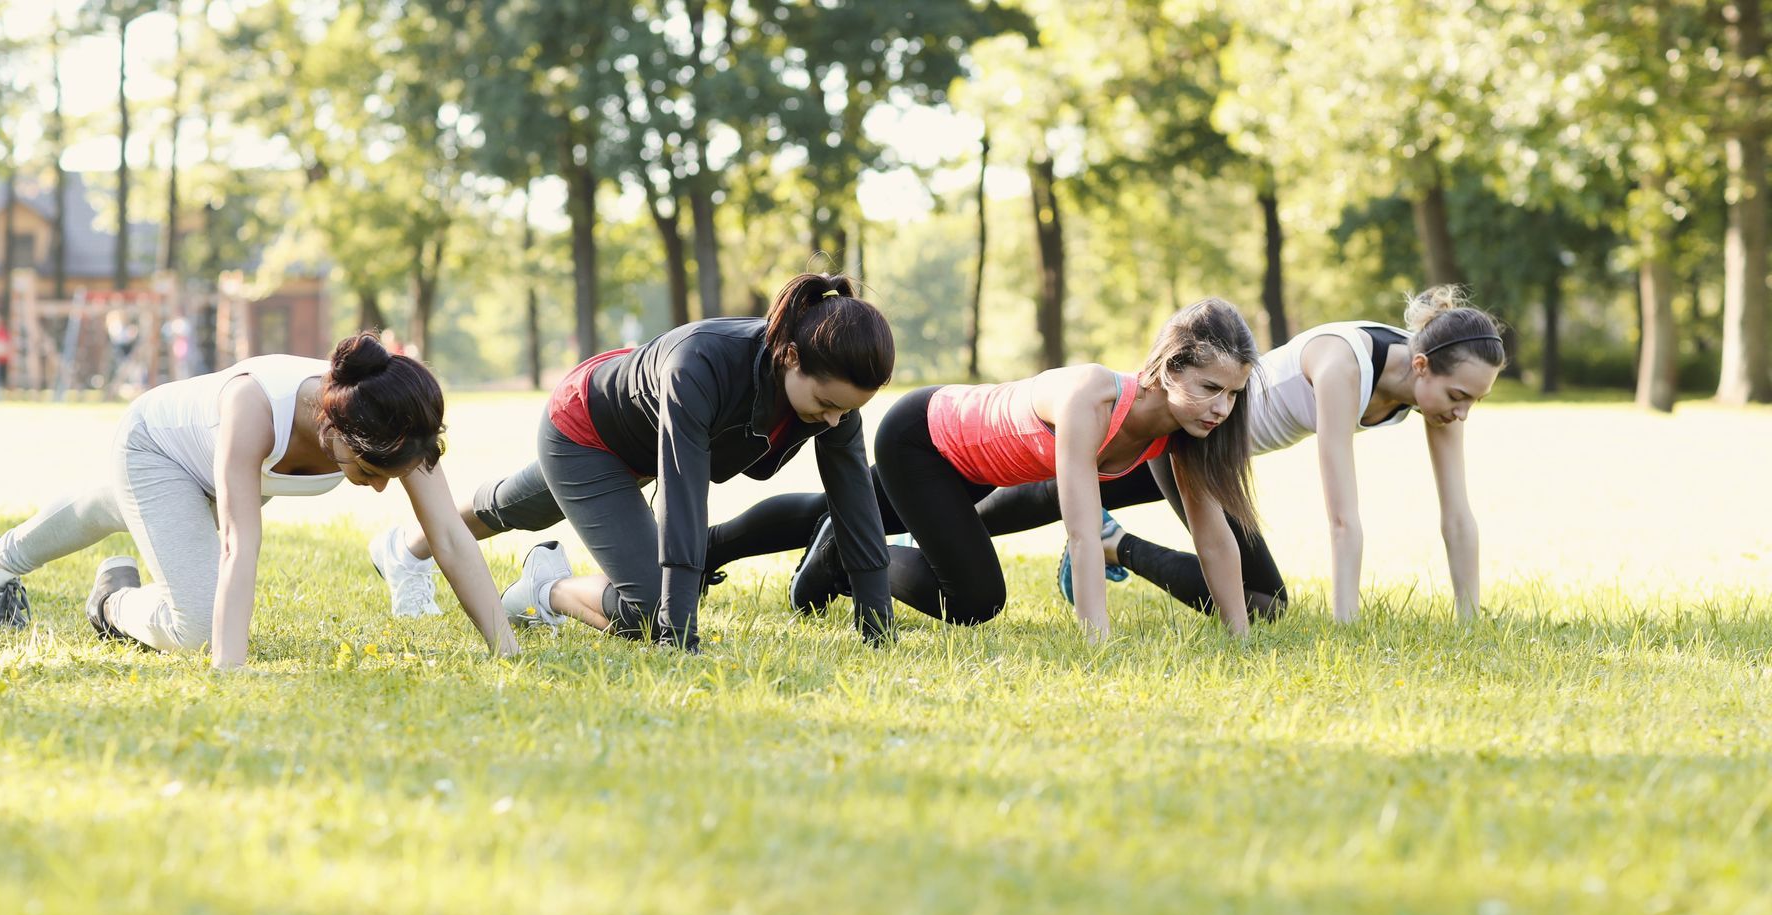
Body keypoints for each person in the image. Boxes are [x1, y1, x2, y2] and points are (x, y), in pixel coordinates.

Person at [369, 273, 898, 648]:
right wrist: (679, 632)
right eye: (826, 405)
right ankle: (536, 587)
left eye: (846, 410)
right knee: (649, 611)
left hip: (644, 438)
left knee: (519, 504)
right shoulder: (703, 364)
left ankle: (425, 554)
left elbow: (855, 504)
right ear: (790, 357)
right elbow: (684, 499)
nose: (834, 421)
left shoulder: (831, 401)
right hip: (584, 428)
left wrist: (877, 624)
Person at [715, 299, 1262, 642]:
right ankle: (807, 549)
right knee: (976, 600)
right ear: (1167, 369)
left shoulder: (1187, 435)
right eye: (1210, 388)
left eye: (1233, 394)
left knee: (830, 510)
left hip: (973, 466)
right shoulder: (1092, 397)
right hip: (924, 439)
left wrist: (1238, 637)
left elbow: (1215, 540)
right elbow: (1081, 530)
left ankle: (838, 547)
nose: (1222, 407)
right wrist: (1097, 640)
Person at [0, 334, 521, 669]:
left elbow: (449, 536)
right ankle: (101, 600)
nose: (381, 487)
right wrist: (228, 667)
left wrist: (506, 651)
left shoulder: (399, 424)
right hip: (156, 447)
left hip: (205, 468)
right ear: (331, 428)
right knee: (196, 626)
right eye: (370, 473)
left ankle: (8, 562)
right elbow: (238, 546)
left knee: (108, 508)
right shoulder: (257, 406)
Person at [971, 286, 1504, 623]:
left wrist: (1469, 617)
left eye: (1474, 401)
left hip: (1215, 448)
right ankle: (918, 519)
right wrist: (1347, 624)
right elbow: (1343, 519)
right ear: (1420, 366)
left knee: (1066, 490)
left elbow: (1457, 514)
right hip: (1190, 436)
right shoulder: (1347, 365)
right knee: (1057, 488)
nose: (1462, 414)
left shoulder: (1439, 392)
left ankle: (1110, 542)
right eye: (1459, 398)